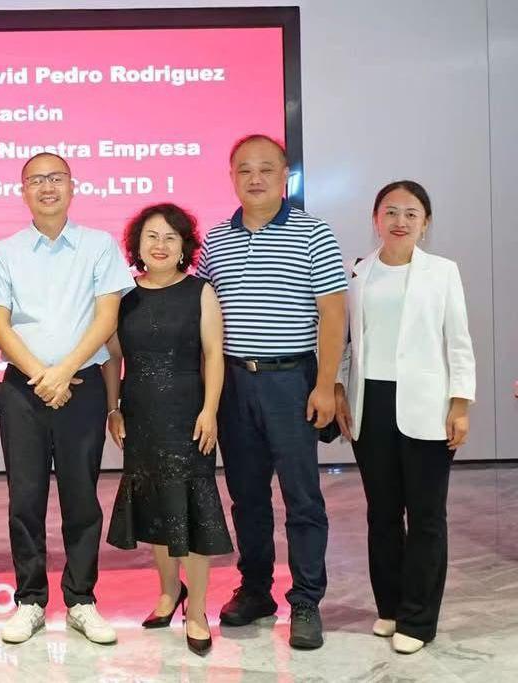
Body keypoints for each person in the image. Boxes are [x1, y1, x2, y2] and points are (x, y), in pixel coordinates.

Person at [197, 134, 347, 650]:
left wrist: (325, 385)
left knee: (302, 496)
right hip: (234, 383)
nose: (255, 178)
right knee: (247, 497)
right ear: (231, 177)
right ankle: (256, 589)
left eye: (266, 169)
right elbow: (203, 316)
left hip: (292, 381)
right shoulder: (215, 240)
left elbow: (333, 315)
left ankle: (305, 600)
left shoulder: (313, 233)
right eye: (244, 169)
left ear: (285, 176)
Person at [0, 152, 135, 645]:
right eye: (36, 180)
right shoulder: (6, 252)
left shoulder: (99, 246)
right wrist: (42, 377)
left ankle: (81, 599)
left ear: (72, 187)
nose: (47, 187)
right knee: (24, 499)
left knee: (81, 497)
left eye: (56, 179)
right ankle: (30, 600)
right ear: (23, 191)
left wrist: (65, 371)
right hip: (23, 389)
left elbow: (107, 318)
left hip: (82, 385)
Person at [334, 180, 474, 654]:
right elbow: (349, 342)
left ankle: (418, 619)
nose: (400, 221)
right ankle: (390, 608)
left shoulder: (442, 272)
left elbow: (458, 340)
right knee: (383, 514)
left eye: (411, 213)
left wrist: (460, 402)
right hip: (370, 404)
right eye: (390, 211)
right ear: (375, 219)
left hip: (427, 405)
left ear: (425, 222)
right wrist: (340, 387)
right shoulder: (358, 272)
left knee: (427, 516)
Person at [102, 203, 232, 655]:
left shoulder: (201, 292)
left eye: (170, 237)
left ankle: (197, 610)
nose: (160, 245)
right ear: (137, 245)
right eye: (151, 237)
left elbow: (214, 354)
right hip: (140, 415)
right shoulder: (122, 296)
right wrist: (113, 409)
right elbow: (113, 358)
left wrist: (210, 410)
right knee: (155, 505)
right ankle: (168, 591)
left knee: (192, 511)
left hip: (188, 415)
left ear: (184, 247)